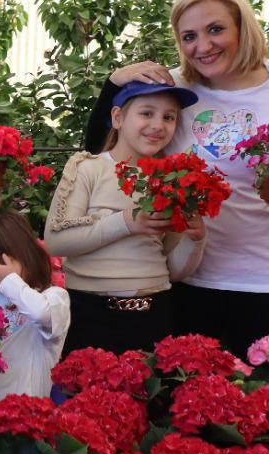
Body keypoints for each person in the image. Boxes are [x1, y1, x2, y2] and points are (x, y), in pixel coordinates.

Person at [81, 0, 269, 357]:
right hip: (185, 275)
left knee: (266, 403)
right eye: (189, 36)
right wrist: (112, 85)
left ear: (242, 27)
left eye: (216, 29)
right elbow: (101, 148)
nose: (203, 46)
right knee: (185, 400)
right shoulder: (173, 88)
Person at [46, 82, 206, 355]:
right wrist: (127, 223)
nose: (158, 125)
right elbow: (57, 241)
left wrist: (196, 239)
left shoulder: (171, 180)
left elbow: (174, 270)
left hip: (154, 313)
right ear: (118, 117)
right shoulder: (88, 168)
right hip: (89, 314)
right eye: (146, 113)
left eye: (169, 117)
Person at [0, 211, 70, 402]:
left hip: (24, 416)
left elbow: (39, 312)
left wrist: (10, 279)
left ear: (25, 253)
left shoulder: (53, 297)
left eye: (1, 262)